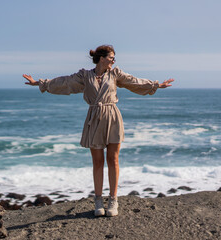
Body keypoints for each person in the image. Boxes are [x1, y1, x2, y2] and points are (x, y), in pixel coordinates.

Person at [23, 45, 174, 217]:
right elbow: (64, 82)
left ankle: (113, 200)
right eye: (111, 57)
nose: (113, 60)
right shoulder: (84, 76)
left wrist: (155, 85)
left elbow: (134, 81)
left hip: (113, 117)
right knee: (97, 162)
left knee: (113, 159)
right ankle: (98, 200)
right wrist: (40, 83)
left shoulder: (115, 74)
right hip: (94, 118)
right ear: (102, 58)